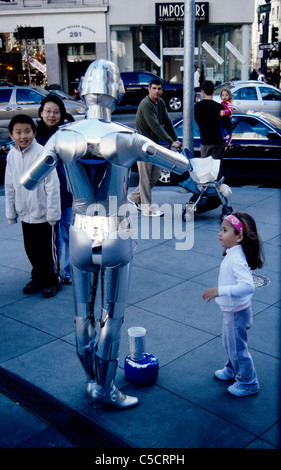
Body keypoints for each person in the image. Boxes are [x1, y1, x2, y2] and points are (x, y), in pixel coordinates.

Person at [21, 60, 189, 409]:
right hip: (115, 230)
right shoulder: (127, 137)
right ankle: (106, 388)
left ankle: (91, 381)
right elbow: (182, 165)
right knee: (113, 315)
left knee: (83, 315)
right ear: (116, 93)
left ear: (83, 91)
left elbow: (29, 180)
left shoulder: (63, 136)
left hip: (81, 230)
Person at [202, 212, 264, 397]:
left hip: (236, 312)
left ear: (239, 236)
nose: (220, 234)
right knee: (230, 344)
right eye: (221, 229)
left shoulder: (237, 259)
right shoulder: (233, 253)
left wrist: (221, 291)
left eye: (225, 230)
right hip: (232, 310)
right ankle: (232, 369)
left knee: (237, 348)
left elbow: (247, 286)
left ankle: (248, 382)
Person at [5, 114, 61, 298]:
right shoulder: (12, 155)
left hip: (44, 213)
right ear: (11, 135)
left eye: (27, 131)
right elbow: (10, 184)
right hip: (25, 213)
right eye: (18, 132)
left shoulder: (42, 153)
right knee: (31, 249)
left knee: (48, 250)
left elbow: (52, 186)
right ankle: (38, 277)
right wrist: (11, 212)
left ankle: (53, 280)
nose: (23, 136)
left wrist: (52, 213)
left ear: (34, 132)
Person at [127, 78, 182, 216]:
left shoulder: (160, 103)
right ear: (149, 89)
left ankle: (134, 197)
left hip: (153, 146)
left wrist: (175, 140)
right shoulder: (146, 104)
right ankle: (147, 209)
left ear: (162, 90)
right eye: (154, 88)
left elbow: (168, 122)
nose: (157, 91)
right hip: (142, 147)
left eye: (159, 89)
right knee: (145, 178)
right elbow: (155, 126)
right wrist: (170, 141)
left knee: (155, 175)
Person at [36, 94, 74, 285]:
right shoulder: (34, 135)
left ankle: (68, 270)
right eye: (48, 111)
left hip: (65, 193)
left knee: (69, 233)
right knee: (52, 237)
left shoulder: (65, 134)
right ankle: (53, 272)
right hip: (44, 195)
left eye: (56, 112)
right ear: (41, 112)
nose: (52, 115)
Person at [195, 80, 227, 161]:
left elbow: (197, 120)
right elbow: (227, 123)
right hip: (217, 141)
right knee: (215, 170)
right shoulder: (220, 107)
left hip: (205, 142)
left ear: (203, 92)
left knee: (204, 170)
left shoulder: (198, 106)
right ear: (213, 91)